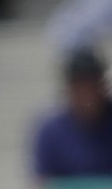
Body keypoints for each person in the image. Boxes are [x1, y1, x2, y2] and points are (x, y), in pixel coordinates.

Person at [31, 48, 112, 181]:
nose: (87, 95)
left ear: (103, 85)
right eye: (80, 87)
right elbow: (40, 185)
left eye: (91, 85)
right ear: (68, 88)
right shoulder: (50, 131)